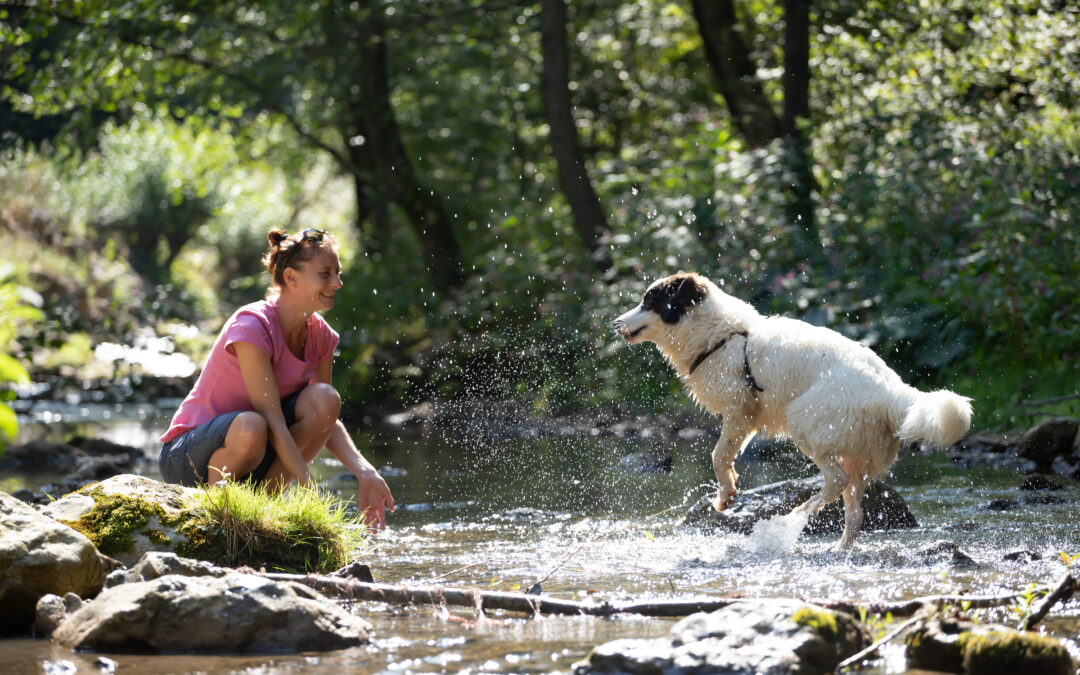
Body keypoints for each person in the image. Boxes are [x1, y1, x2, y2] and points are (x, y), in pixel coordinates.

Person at [158, 228, 395, 530]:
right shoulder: (252, 325)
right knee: (253, 425)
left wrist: (365, 472)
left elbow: (326, 420)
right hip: (187, 457)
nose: (337, 282)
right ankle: (217, 511)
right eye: (325, 274)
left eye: (338, 273)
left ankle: (260, 509)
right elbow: (272, 419)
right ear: (292, 278)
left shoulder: (321, 336)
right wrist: (314, 497)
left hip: (255, 446)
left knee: (325, 398)